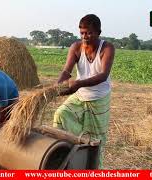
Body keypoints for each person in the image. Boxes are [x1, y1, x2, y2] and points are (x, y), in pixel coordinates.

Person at [53, 14, 115, 168]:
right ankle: (66, 159)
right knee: (61, 114)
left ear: (98, 32)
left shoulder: (107, 48)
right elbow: (67, 71)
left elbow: (103, 75)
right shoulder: (75, 47)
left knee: (95, 140)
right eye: (82, 33)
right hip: (80, 96)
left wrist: (78, 84)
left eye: (89, 33)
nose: (85, 36)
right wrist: (58, 84)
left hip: (99, 98)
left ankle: (93, 169)